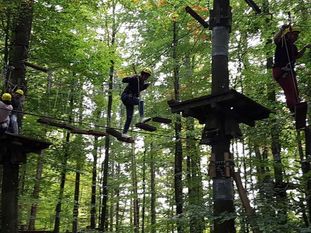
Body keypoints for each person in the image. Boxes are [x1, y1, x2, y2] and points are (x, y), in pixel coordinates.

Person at [272, 25, 311, 113]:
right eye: (294, 34)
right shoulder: (283, 42)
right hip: (280, 70)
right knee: (290, 91)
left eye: (297, 35)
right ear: (288, 34)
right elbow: (275, 39)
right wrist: (281, 30)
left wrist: (304, 48)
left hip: (288, 71)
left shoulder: (293, 47)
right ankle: (294, 109)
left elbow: (297, 56)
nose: (296, 37)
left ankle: (296, 108)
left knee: (295, 91)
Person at [121, 68, 152, 138]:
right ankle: (142, 118)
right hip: (126, 96)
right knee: (140, 101)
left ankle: (124, 133)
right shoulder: (136, 78)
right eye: (145, 75)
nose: (146, 77)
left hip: (130, 100)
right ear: (142, 74)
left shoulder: (141, 83)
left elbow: (138, 90)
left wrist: (144, 87)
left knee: (129, 117)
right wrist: (132, 77)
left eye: (147, 76)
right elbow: (124, 80)